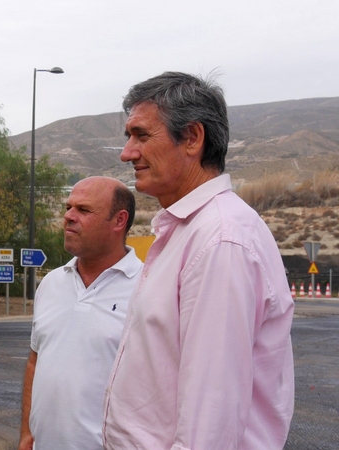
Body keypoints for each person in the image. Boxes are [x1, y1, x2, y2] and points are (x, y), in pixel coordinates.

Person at [103, 72, 295, 449]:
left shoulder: (220, 240)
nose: (127, 153)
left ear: (192, 137)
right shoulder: (190, 231)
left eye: (141, 135)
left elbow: (209, 425)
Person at [19, 176, 142, 450]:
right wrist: (27, 432)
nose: (68, 217)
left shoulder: (148, 289)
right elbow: (35, 363)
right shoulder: (51, 283)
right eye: (68, 207)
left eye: (83, 210)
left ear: (119, 220)